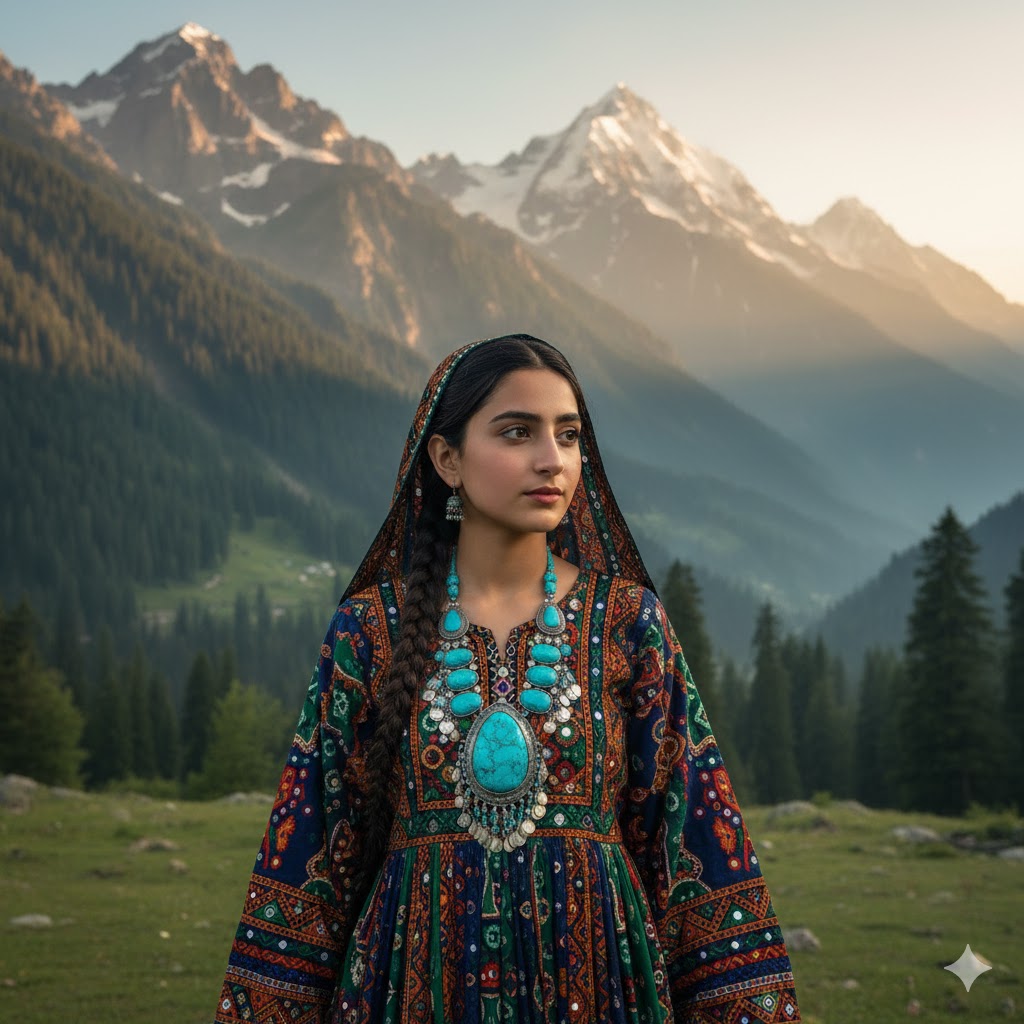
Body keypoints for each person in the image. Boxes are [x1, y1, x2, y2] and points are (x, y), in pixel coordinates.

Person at [214, 334, 801, 1023]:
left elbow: (696, 844)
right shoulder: (369, 631)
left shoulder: (630, 624)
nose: (551, 459)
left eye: (569, 434)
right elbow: (311, 856)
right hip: (411, 987)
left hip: (605, 989)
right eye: (517, 432)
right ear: (447, 458)